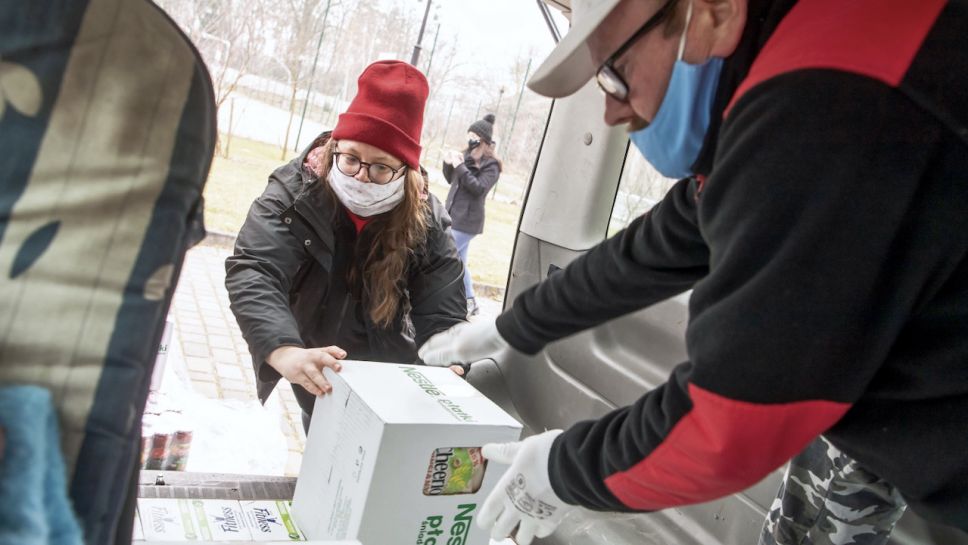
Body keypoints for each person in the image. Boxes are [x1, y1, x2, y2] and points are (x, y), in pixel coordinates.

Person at [419, 0, 968, 544]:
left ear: (715, 14)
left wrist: (561, 471)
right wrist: (518, 324)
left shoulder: (832, 109)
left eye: (615, 74)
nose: (610, 112)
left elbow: (731, 417)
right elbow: (657, 245)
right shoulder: (788, 82)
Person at [226, 60, 467, 431]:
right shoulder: (294, 194)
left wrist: (446, 359)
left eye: (381, 167)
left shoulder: (426, 219)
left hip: (390, 377)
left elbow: (442, 309)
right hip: (317, 369)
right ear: (334, 148)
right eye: (351, 159)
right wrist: (282, 348)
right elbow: (256, 268)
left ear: (405, 172)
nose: (361, 177)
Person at [442, 113, 502, 317]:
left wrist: (459, 166)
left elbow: (478, 188)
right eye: (469, 134)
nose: (470, 138)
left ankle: (442, 297)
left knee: (445, 256)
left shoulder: (492, 165)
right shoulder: (466, 156)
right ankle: (470, 301)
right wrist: (448, 163)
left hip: (468, 222)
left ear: (483, 140)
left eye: (474, 135)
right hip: (453, 215)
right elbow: (451, 179)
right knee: (459, 261)